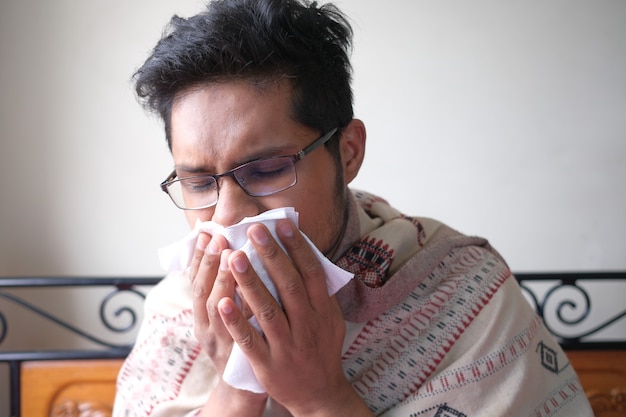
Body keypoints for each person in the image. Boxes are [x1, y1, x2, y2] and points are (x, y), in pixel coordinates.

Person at [113, 1, 593, 416]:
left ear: (348, 152)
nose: (227, 218)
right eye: (199, 182)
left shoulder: (462, 291)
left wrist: (321, 400)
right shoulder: (178, 307)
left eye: (265, 171)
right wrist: (237, 386)